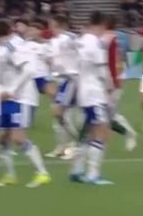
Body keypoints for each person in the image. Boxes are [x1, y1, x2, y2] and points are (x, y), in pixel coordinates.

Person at [0, 20, 51, 188]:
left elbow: (29, 70)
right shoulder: (7, 47)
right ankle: (9, 175)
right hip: (9, 98)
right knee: (4, 137)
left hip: (21, 98)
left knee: (17, 137)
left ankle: (42, 173)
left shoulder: (12, 48)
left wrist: (12, 90)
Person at [69, 11, 114, 185]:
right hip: (95, 93)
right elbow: (102, 68)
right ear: (102, 25)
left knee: (89, 132)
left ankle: (77, 170)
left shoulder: (81, 40)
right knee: (101, 132)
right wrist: (109, 86)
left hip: (83, 90)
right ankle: (93, 174)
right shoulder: (95, 42)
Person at [47, 14, 80, 159]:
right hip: (60, 80)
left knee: (59, 112)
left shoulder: (70, 38)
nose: (51, 27)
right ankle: (63, 146)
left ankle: (78, 143)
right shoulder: (53, 41)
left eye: (53, 25)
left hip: (71, 79)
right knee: (59, 116)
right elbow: (53, 61)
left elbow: (82, 53)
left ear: (61, 25)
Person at [102, 14, 137, 151]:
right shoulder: (116, 37)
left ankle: (128, 133)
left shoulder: (111, 39)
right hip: (106, 79)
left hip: (111, 80)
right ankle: (98, 142)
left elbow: (118, 60)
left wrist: (116, 80)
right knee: (103, 114)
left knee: (109, 115)